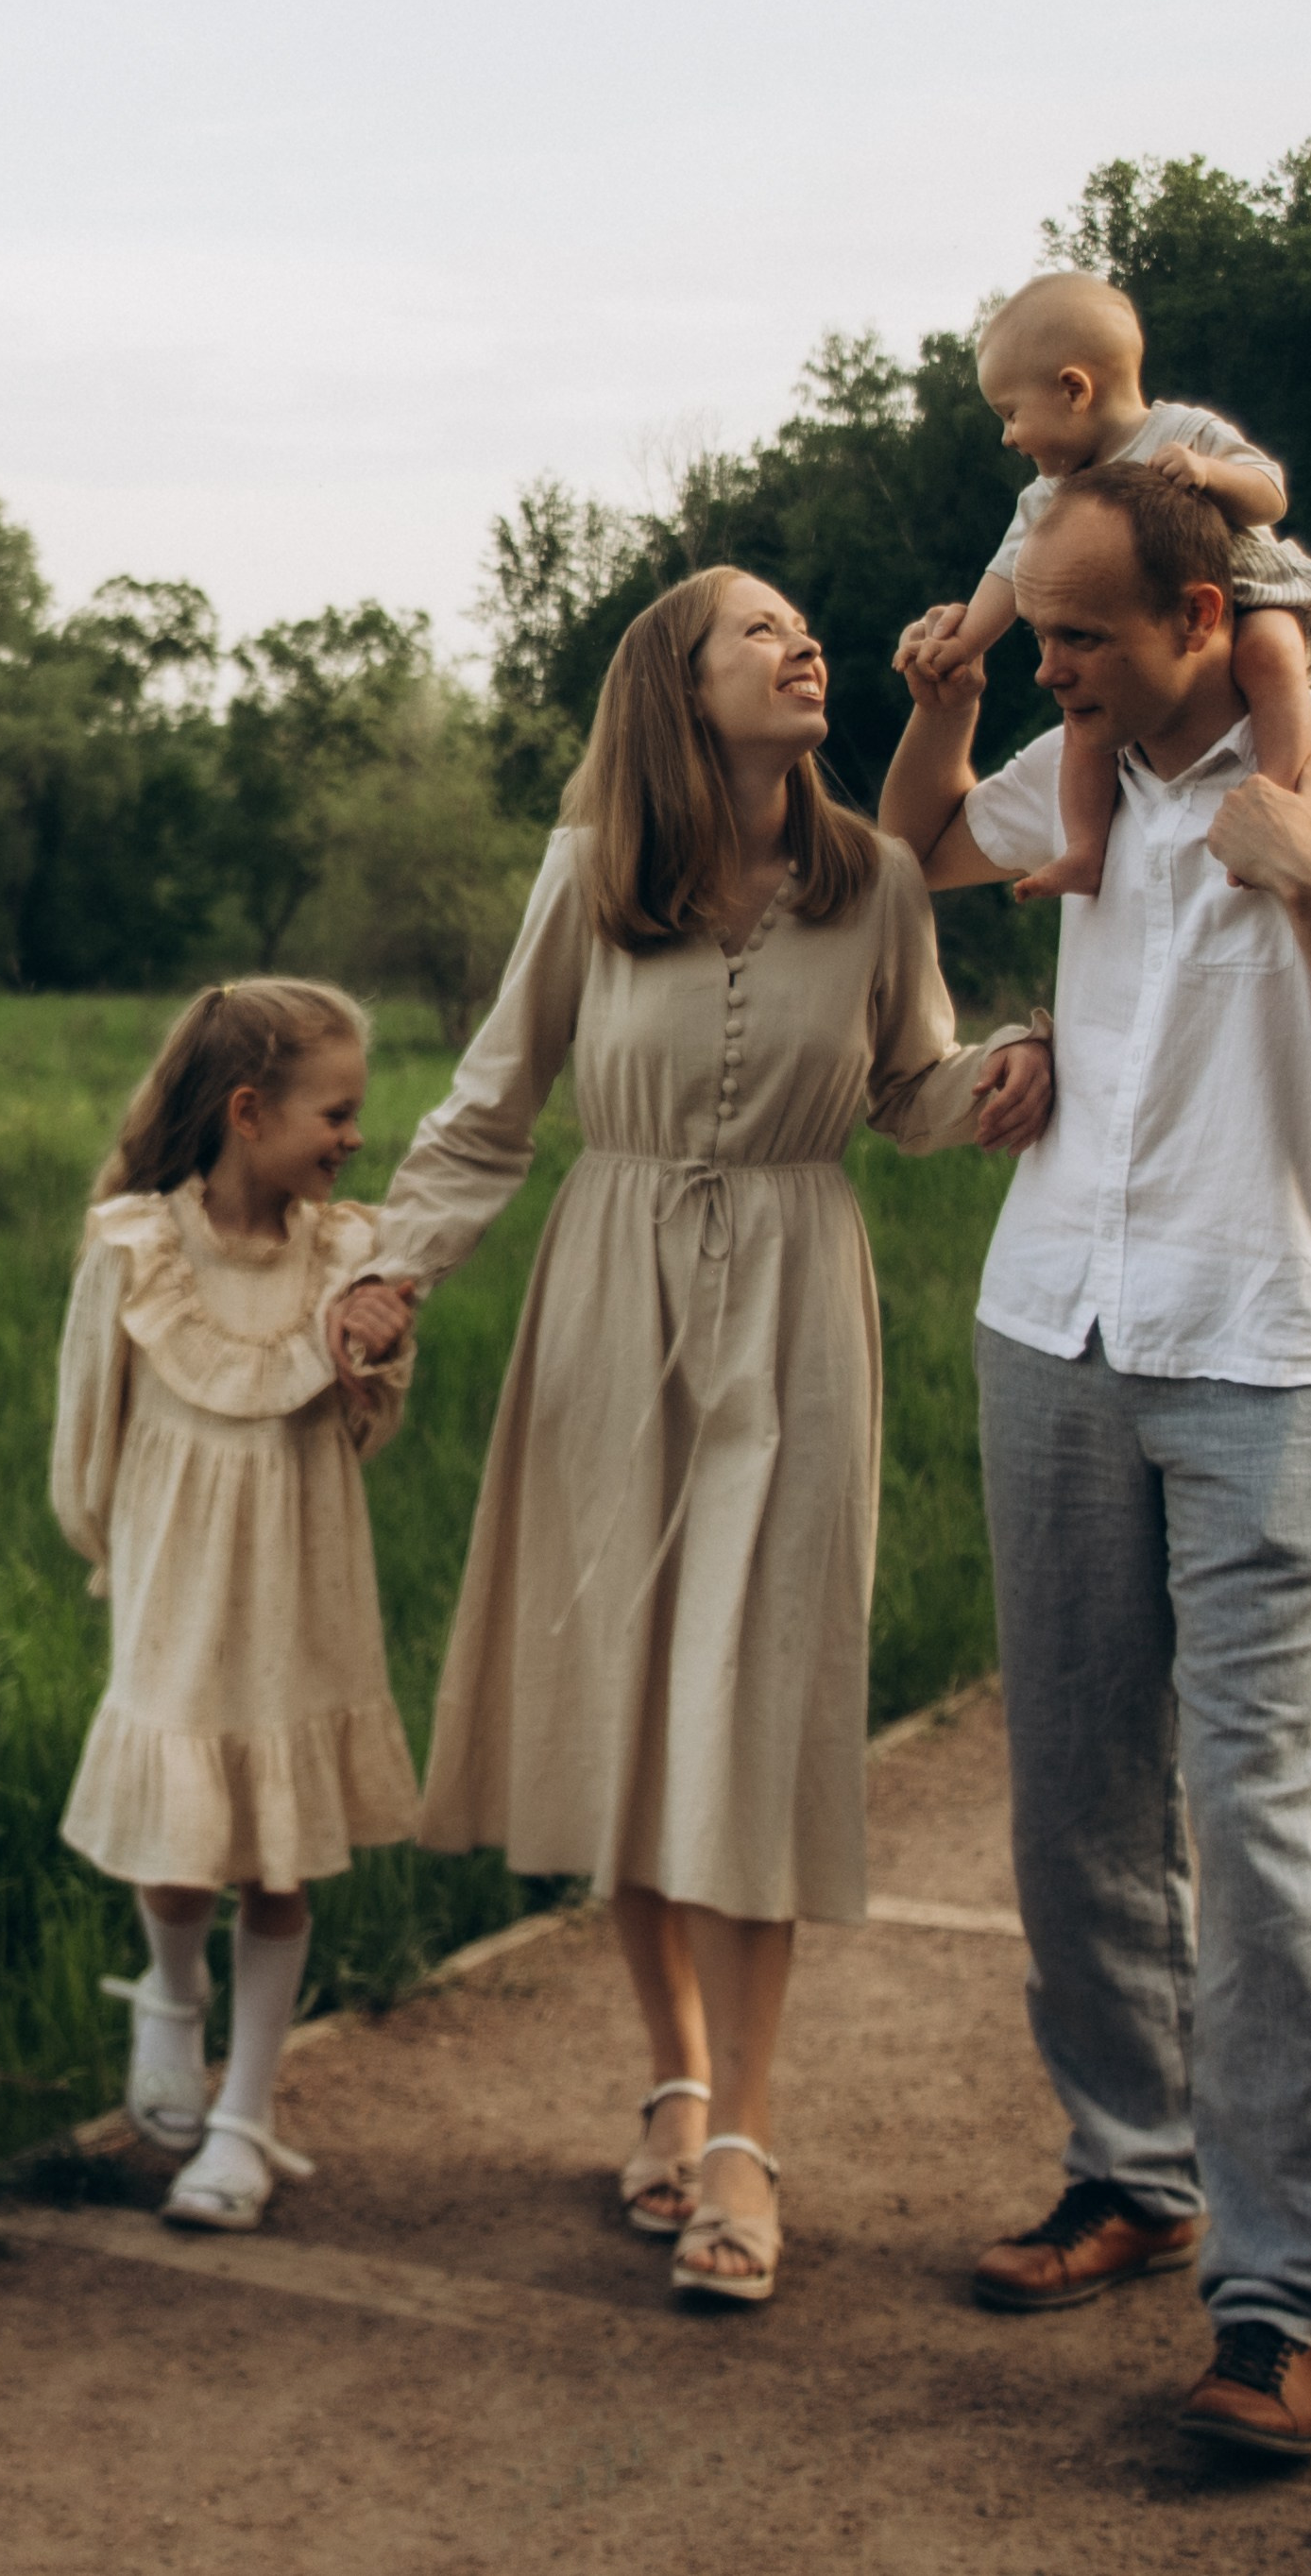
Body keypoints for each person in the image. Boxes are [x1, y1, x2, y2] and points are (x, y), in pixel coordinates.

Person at [327, 567, 1052, 2311]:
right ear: (678, 685)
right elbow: (493, 1102)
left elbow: (909, 1084)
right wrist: (387, 1270)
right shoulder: (589, 876)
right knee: (632, 1701)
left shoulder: (875, 879)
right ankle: (671, 2076)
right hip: (610, 1299)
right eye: (764, 630)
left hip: (797, 1308)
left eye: (811, 629)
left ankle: (748, 2133)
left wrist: (1012, 1077)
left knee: (753, 1699)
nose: (806, 646)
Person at [878, 461, 1311, 2461]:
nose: (1048, 660)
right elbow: (905, 853)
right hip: (1050, 1320)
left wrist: (1307, 875)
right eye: (1033, 628)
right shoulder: (1079, 773)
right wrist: (960, 691)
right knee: (1067, 1798)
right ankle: (1128, 2170)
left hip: (1260, 1354)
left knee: (1255, 1831)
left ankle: (1281, 2294)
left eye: (1078, 634)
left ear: (1203, 619)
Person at [49, 979, 418, 2234]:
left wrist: (370, 1345)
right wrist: (112, 1553)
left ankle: (245, 2119)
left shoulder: (350, 1251)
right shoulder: (134, 1248)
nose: (353, 1135)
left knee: (274, 1862)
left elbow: (367, 1424)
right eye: (337, 1110)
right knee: (175, 1848)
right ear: (249, 1111)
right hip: (175, 1592)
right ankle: (166, 1998)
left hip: (295, 1599)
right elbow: (83, 1437)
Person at [894, 271, 1311, 903]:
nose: (1006, 436)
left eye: (1010, 414)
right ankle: (1085, 849)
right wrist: (961, 646)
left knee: (1270, 651)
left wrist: (1207, 474)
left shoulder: (1183, 432)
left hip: (1253, 589)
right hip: (1179, 630)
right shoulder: (1046, 496)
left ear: (1072, 390)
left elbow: (1268, 491)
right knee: (1086, 737)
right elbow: (1005, 573)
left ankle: (1280, 798)